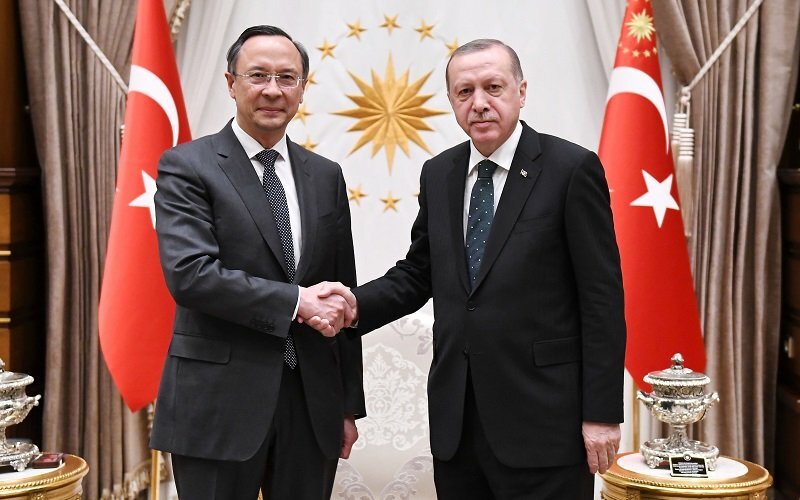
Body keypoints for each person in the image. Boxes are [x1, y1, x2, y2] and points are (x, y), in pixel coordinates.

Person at [313, 39, 626, 499]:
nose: (479, 103)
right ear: (452, 101)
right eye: (464, 92)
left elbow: (601, 298)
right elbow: (418, 272)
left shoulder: (571, 169)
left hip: (545, 424)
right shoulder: (439, 173)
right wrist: (354, 304)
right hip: (458, 426)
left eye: (493, 87)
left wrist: (601, 414)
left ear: (521, 92)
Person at [149, 25, 365, 499]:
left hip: (311, 405)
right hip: (218, 404)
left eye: (287, 78)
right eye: (258, 75)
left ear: (302, 89)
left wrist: (347, 404)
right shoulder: (188, 166)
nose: (272, 90)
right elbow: (191, 275)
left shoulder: (325, 175)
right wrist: (296, 303)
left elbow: (340, 292)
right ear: (231, 83)